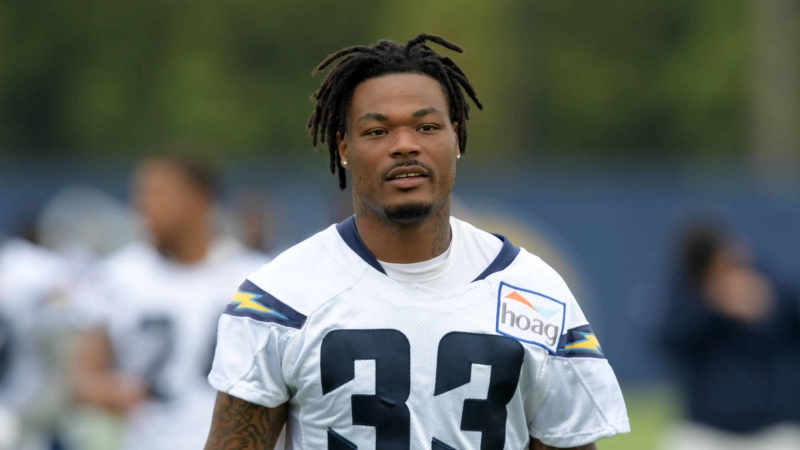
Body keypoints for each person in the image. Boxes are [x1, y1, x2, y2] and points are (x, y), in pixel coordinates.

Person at [205, 34, 629, 450]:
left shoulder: (536, 294)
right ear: (344, 147)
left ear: (456, 137)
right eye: (377, 131)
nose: (405, 145)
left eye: (426, 127)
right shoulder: (280, 297)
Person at [72, 155, 270, 450]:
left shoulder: (256, 278)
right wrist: (110, 391)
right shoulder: (117, 276)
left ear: (200, 199)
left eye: (158, 193)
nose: (143, 205)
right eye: (140, 194)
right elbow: (84, 376)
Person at [659, 220, 800, 450]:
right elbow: (667, 337)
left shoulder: (767, 278)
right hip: (706, 430)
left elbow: (791, 319)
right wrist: (712, 302)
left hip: (773, 429)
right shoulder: (688, 290)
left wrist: (770, 302)